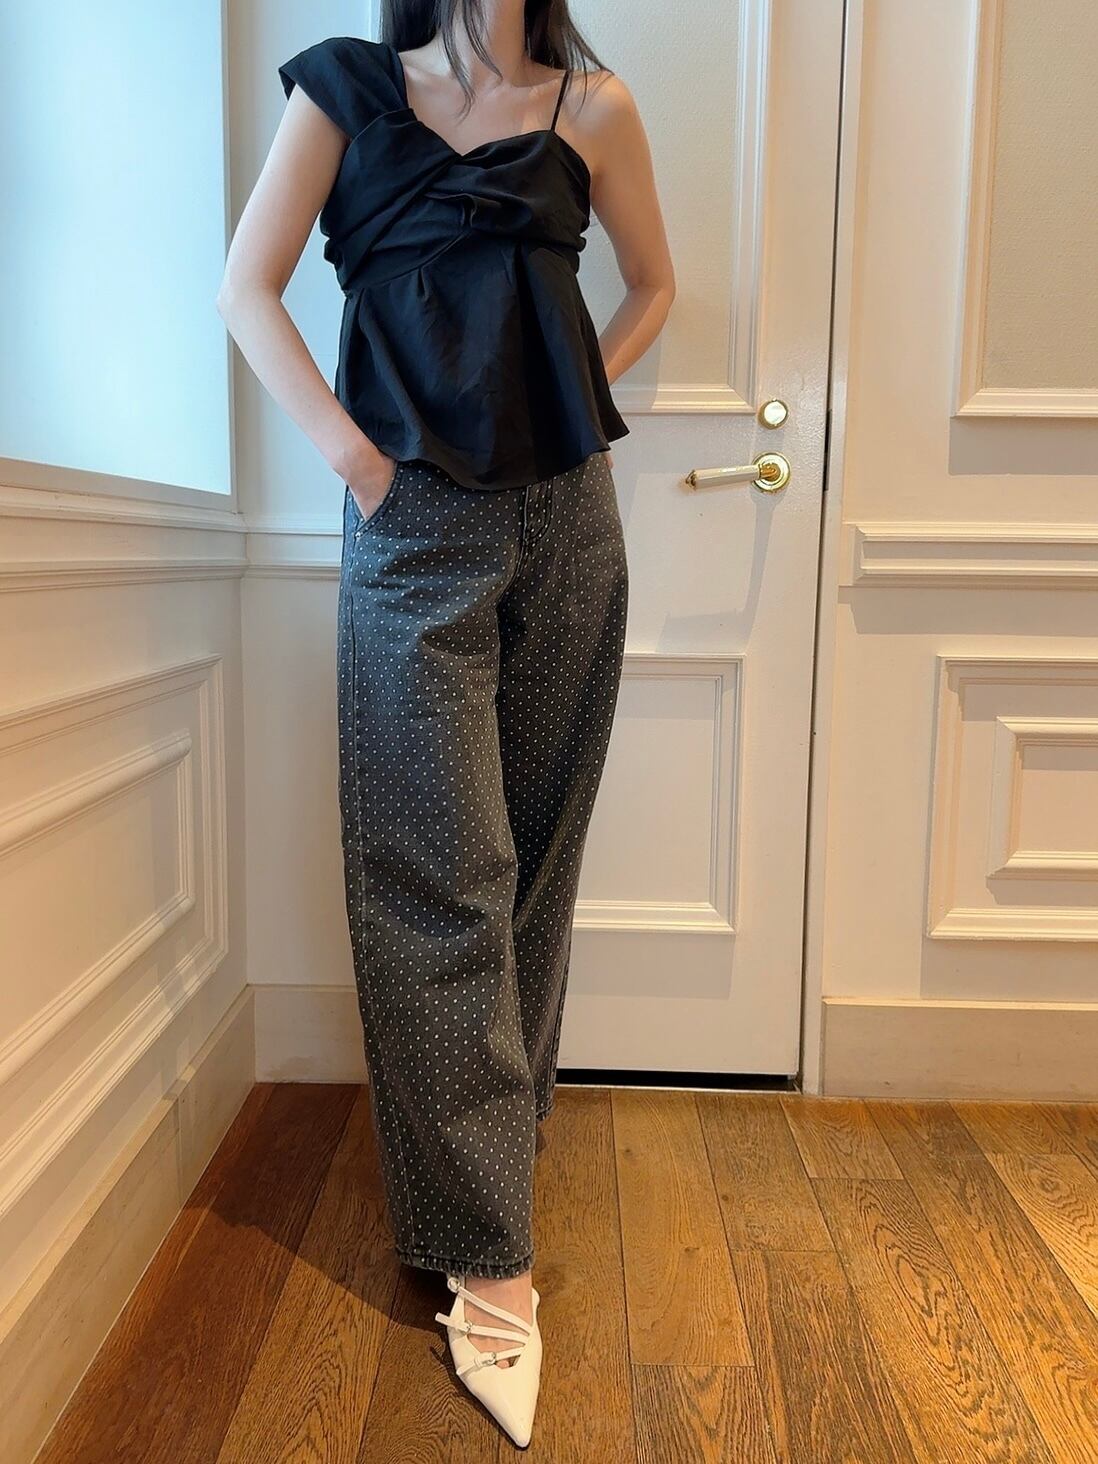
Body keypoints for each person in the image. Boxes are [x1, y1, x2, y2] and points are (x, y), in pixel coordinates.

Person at [216, 0, 674, 1445]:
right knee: (438, 869)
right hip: (410, 520)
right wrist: (358, 463)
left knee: (534, 854)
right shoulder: (347, 94)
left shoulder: (592, 107)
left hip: (568, 518)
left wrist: (571, 397)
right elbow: (246, 289)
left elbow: (656, 285)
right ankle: (487, 1256)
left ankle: (495, 1152)